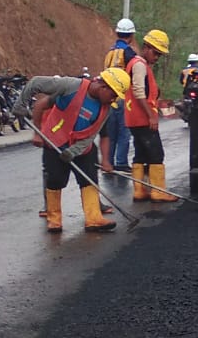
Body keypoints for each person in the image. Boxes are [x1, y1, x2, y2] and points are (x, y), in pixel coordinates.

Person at [20, 67, 131, 233]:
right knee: (55, 181)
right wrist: (37, 133)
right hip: (55, 144)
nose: (113, 99)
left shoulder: (105, 109)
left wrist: (104, 160)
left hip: (83, 149)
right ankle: (54, 219)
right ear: (103, 87)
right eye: (113, 94)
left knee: (89, 180)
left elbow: (98, 134)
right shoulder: (72, 88)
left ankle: (94, 218)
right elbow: (40, 103)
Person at [126, 28, 175, 201]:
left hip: (134, 119)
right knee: (156, 154)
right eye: (156, 53)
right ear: (147, 47)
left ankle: (140, 191)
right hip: (142, 119)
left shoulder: (137, 63)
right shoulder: (139, 64)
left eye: (159, 55)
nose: (156, 57)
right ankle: (158, 191)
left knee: (140, 154)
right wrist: (151, 116)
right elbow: (139, 92)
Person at [100, 18, 137, 172]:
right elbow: (134, 73)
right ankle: (121, 162)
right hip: (122, 96)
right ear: (131, 35)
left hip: (108, 96)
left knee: (111, 132)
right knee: (124, 131)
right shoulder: (129, 53)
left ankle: (108, 162)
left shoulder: (110, 52)